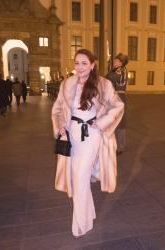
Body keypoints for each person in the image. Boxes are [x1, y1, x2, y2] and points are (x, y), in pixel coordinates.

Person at [51, 49, 124, 237]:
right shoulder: (67, 84)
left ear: (92, 65)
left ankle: (80, 223)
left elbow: (118, 106)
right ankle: (88, 213)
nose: (80, 67)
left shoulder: (104, 84)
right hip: (72, 134)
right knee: (77, 178)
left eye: (84, 63)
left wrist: (100, 123)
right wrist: (60, 125)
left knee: (80, 176)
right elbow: (58, 108)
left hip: (92, 136)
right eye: (77, 63)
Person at [106, 53, 128, 154]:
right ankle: (116, 145)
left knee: (120, 123)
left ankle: (120, 147)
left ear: (121, 63)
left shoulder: (121, 70)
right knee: (115, 121)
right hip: (116, 97)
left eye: (116, 61)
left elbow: (110, 78)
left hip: (119, 98)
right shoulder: (118, 70)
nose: (114, 62)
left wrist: (110, 70)